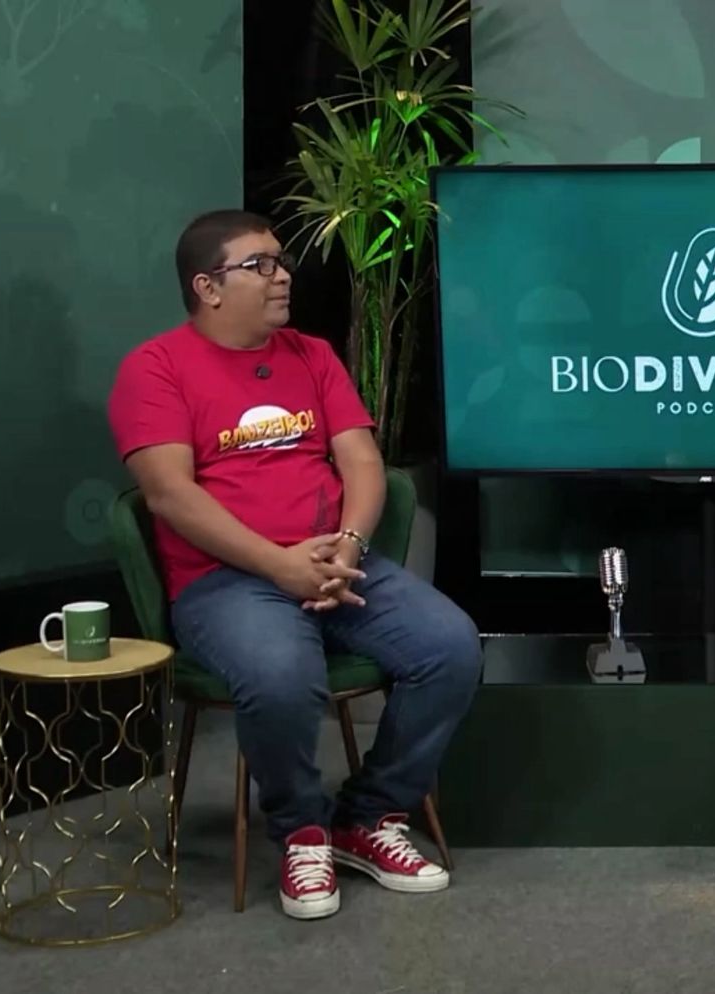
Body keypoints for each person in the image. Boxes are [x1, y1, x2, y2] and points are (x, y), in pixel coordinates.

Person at [107, 210, 484, 921]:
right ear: (207, 287)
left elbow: (363, 462)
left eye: (280, 262)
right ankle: (302, 832)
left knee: (450, 646)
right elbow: (169, 495)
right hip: (226, 580)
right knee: (282, 674)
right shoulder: (155, 369)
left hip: (336, 561)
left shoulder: (311, 355)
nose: (282, 276)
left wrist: (350, 544)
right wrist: (279, 566)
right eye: (261, 265)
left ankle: (367, 817)